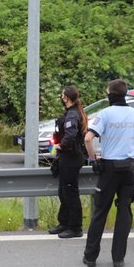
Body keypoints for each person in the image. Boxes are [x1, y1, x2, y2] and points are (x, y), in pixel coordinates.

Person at [82, 79, 134, 267]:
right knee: (124, 210)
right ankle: (118, 258)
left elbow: (87, 138)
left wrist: (94, 159)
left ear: (110, 94)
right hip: (129, 167)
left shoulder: (106, 113)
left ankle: (90, 257)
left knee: (100, 211)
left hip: (110, 167)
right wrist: (132, 157)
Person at [47, 85, 87, 239]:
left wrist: (60, 145)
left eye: (62, 94)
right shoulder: (72, 113)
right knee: (63, 192)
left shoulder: (72, 115)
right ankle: (64, 223)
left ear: (66, 98)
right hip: (67, 158)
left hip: (71, 158)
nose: (61, 97)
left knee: (70, 193)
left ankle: (75, 228)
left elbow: (70, 135)